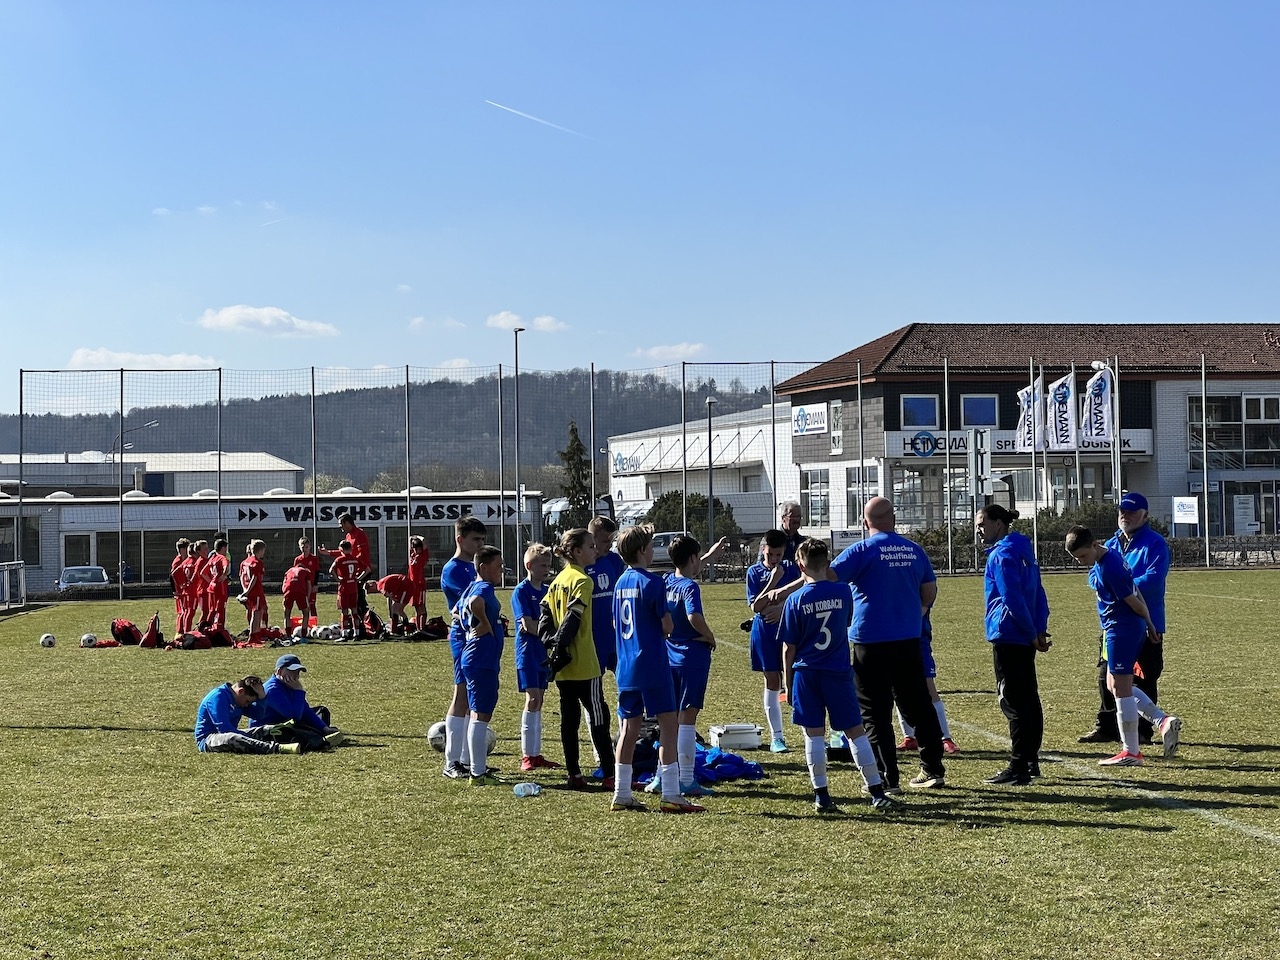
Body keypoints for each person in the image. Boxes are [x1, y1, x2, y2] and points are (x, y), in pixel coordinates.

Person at [767, 496, 945, 791]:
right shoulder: (914, 550)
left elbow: (824, 575)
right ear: (894, 519)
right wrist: (916, 613)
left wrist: (789, 589)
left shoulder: (862, 550)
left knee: (874, 713)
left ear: (865, 522)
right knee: (919, 705)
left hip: (870, 642)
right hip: (908, 639)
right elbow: (929, 591)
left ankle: (886, 777)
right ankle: (932, 768)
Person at [780, 538, 896, 812]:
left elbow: (788, 647)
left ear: (800, 566)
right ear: (827, 563)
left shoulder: (795, 600)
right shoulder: (843, 592)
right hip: (838, 672)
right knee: (855, 732)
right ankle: (876, 791)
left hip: (806, 673)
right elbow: (844, 623)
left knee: (813, 735)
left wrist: (787, 682)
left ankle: (821, 795)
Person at [1066, 525, 1182, 766]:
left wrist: (1149, 621)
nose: (1081, 562)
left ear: (1094, 545)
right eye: (1076, 558)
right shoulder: (1110, 554)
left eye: (1083, 556)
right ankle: (1162, 721)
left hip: (1122, 629)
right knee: (1113, 684)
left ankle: (1131, 752)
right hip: (1118, 628)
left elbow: (1133, 600)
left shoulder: (1109, 567)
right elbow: (1135, 588)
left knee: (1121, 688)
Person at [611, 524, 705, 814]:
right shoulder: (652, 582)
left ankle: (621, 793)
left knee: (629, 728)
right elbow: (666, 625)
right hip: (651, 663)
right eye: (651, 547)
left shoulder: (620, 583)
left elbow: (616, 623)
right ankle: (672, 793)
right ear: (642, 550)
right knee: (668, 724)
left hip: (626, 666)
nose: (654, 552)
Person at [1079, 492, 1173, 745]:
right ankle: (1107, 727)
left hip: (1144, 622)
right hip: (1112, 623)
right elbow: (1094, 575)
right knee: (1106, 676)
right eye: (1122, 511)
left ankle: (1143, 731)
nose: (1125, 516)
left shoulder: (1155, 544)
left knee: (1143, 676)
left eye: (1131, 512)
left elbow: (1153, 580)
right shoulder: (1112, 543)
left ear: (1145, 515)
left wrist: (1121, 587)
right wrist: (1115, 587)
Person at [976, 505, 1051, 786]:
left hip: (1009, 633)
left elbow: (1011, 598)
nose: (978, 529)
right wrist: (1039, 628)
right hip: (1025, 633)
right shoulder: (1025, 551)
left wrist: (1031, 632)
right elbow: (1038, 592)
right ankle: (1030, 761)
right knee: (1029, 698)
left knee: (1014, 700)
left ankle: (1018, 765)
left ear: (998, 524)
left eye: (982, 523)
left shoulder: (1001, 554)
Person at [543, 527, 615, 791]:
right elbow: (573, 616)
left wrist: (551, 644)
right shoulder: (583, 580)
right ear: (576, 551)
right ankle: (610, 774)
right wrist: (561, 644)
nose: (595, 551)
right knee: (599, 717)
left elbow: (544, 614)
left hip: (563, 666)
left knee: (569, 719)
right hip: (584, 663)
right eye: (591, 547)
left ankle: (574, 773)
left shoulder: (558, 580)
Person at [664, 534, 717, 797]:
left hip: (669, 654)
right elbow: (694, 615)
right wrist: (709, 636)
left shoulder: (666, 580)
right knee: (688, 717)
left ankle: (663, 775)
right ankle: (686, 778)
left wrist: (710, 556)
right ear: (693, 558)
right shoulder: (690, 587)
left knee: (669, 719)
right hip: (691, 656)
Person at [439, 516, 487, 779]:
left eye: (483, 540)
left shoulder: (474, 567)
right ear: (460, 539)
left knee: (472, 697)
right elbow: (465, 605)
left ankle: (468, 760)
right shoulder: (453, 569)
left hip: (477, 636)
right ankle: (451, 761)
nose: (480, 544)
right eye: (475, 539)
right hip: (462, 636)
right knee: (461, 696)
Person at [746, 529, 801, 752]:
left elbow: (800, 593)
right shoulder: (754, 572)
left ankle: (810, 729)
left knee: (797, 677)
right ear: (763, 550)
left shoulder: (793, 569)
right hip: (764, 632)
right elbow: (756, 606)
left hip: (789, 629)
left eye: (778, 555)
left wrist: (782, 608)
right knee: (772, 680)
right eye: (770, 555)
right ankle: (777, 737)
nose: (775, 559)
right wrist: (773, 580)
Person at [458, 546, 507, 785]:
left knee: (476, 713)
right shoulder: (483, 588)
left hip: (474, 657)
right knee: (481, 715)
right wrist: (486, 623)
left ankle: (474, 767)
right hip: (481, 658)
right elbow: (475, 603)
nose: (502, 570)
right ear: (483, 568)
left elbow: (457, 611)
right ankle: (477, 773)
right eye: (498, 566)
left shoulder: (470, 586)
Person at [511, 543, 558, 771]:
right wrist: (550, 632)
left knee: (540, 700)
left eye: (548, 565)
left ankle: (536, 754)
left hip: (543, 652)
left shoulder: (548, 591)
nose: (547, 569)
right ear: (529, 566)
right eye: (542, 566)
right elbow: (528, 625)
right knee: (532, 699)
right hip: (528, 652)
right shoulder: (521, 591)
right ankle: (527, 756)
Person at [893, 610, 960, 755]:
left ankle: (945, 738)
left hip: (916, 637)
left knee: (928, 688)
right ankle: (909, 737)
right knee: (898, 686)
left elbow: (924, 605)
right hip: (892, 638)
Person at [194, 675, 299, 754]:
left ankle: (283, 730)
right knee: (232, 738)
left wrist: (262, 698)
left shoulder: (239, 699)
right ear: (241, 691)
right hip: (208, 740)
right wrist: (250, 739)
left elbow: (258, 716)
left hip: (231, 732)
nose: (247, 705)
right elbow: (225, 729)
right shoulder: (218, 697)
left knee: (264, 729)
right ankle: (277, 748)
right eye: (248, 701)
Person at [261, 653, 345, 747]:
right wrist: (299, 691)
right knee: (300, 732)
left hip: (285, 722)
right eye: (292, 671)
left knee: (322, 711)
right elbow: (294, 717)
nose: (296, 676)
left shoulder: (289, 685)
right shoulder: (272, 690)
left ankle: (322, 734)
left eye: (297, 672)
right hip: (269, 731)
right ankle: (322, 741)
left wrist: (325, 728)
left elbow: (305, 710)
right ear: (279, 671)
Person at [585, 516, 624, 677]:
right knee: (595, 680)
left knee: (624, 676)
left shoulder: (614, 560)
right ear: (592, 538)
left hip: (615, 633)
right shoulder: (584, 564)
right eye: (604, 541)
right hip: (593, 635)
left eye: (611, 541)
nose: (609, 545)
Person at [322, 512, 371, 615]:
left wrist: (351, 563)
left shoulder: (359, 534)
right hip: (351, 571)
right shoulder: (348, 536)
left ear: (347, 523)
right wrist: (329, 552)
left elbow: (363, 554)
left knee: (358, 597)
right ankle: (354, 619)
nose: (340, 527)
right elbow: (345, 553)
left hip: (361, 570)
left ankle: (365, 618)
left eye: (341, 524)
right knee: (348, 597)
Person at [329, 541, 363, 641]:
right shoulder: (355, 559)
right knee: (354, 611)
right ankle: (357, 634)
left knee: (344, 612)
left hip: (344, 588)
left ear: (341, 549)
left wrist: (338, 579)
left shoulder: (339, 559)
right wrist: (358, 578)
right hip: (353, 587)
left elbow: (331, 570)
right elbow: (368, 569)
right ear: (351, 548)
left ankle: (345, 634)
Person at [238, 540, 268, 636]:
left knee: (253, 611)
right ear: (261, 550)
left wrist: (245, 589)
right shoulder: (257, 562)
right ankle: (254, 635)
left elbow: (241, 576)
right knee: (257, 613)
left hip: (248, 590)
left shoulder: (244, 562)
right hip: (255, 591)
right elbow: (255, 578)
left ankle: (255, 633)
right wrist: (248, 591)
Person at [204, 537, 231, 631]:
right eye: (225, 548)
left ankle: (206, 628)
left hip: (211, 587)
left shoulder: (212, 558)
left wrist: (211, 581)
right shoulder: (222, 558)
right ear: (223, 548)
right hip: (220, 587)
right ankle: (219, 629)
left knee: (212, 609)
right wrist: (224, 575)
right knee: (220, 609)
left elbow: (203, 573)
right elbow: (225, 566)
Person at [293, 536, 321, 622]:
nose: (304, 549)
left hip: (311, 585)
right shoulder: (298, 560)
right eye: (302, 547)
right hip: (302, 586)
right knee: (304, 605)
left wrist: (315, 585)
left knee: (312, 604)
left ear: (309, 547)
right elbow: (295, 572)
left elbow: (317, 572)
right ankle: (306, 622)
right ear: (299, 547)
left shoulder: (314, 559)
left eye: (306, 547)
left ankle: (314, 622)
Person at [281, 560, 314, 629]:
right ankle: (304, 633)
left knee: (287, 613)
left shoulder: (289, 571)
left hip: (289, 590)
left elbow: (284, 584)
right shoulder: (306, 571)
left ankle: (288, 633)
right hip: (300, 590)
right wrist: (307, 597)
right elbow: (309, 585)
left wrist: (285, 595)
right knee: (306, 612)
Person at [408, 535, 430, 629]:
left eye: (419, 549)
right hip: (413, 586)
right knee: (416, 607)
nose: (418, 551)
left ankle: (423, 627)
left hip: (420, 585)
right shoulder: (412, 556)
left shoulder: (422, 556)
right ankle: (418, 628)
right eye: (416, 549)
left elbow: (424, 540)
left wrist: (417, 537)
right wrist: (412, 538)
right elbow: (409, 539)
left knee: (422, 606)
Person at [171, 538, 191, 631]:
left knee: (185, 610)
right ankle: (180, 631)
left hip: (183, 590)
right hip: (179, 591)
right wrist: (176, 589)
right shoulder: (178, 561)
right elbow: (172, 575)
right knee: (182, 611)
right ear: (183, 549)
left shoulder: (184, 559)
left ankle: (182, 629)